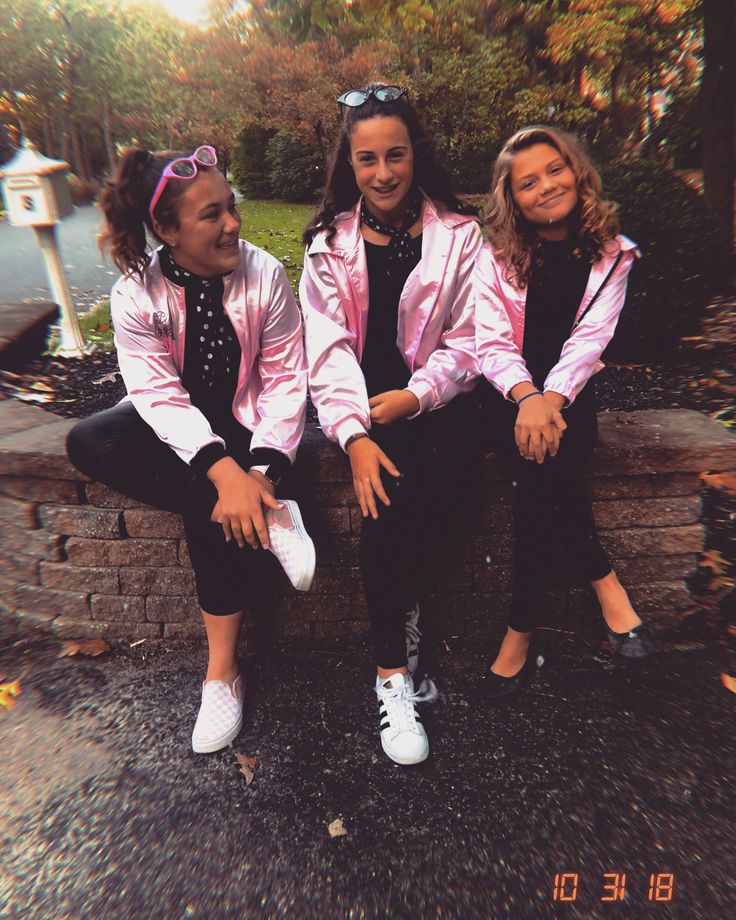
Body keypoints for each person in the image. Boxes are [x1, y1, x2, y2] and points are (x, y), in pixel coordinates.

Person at [66, 145, 315, 753]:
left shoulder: (265, 274)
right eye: (211, 215)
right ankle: (269, 517)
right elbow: (155, 393)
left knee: (216, 512)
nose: (233, 223)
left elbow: (285, 379)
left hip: (247, 424)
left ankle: (223, 672)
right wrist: (221, 476)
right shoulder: (135, 294)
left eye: (232, 207)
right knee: (89, 438)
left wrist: (259, 469)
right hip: (180, 430)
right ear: (166, 229)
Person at [300, 84, 482, 764]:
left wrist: (419, 394)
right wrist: (352, 437)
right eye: (367, 159)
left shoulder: (460, 236)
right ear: (348, 164)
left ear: (415, 154)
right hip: (364, 408)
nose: (383, 173)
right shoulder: (326, 245)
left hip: (437, 402)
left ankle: (403, 620)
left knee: (458, 513)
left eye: (396, 155)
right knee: (385, 509)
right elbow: (326, 349)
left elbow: (469, 339)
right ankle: (392, 676)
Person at [474, 125, 655, 699]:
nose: (546, 187)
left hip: (569, 398)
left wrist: (551, 401)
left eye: (555, 170)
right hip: (506, 395)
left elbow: (589, 341)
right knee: (544, 470)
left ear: (576, 170)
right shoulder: (497, 255)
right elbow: (491, 342)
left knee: (540, 482)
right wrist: (528, 398)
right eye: (527, 183)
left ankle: (520, 632)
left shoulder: (612, 254)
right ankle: (605, 585)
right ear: (513, 199)